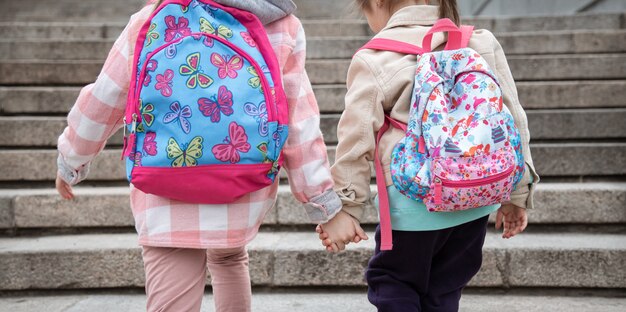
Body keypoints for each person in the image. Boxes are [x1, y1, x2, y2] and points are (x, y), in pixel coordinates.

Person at [55, 1, 342, 311]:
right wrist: (322, 202)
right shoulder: (282, 24)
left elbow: (104, 98)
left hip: (163, 182)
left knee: (173, 289)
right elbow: (300, 122)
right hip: (242, 178)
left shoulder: (151, 18)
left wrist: (72, 159)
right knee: (230, 257)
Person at [317, 0, 540, 311]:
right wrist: (517, 192)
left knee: (394, 281)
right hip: (475, 198)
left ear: (378, 2)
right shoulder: (482, 42)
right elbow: (513, 120)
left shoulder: (374, 58)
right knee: (444, 289)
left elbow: (356, 140)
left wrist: (347, 207)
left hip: (413, 202)